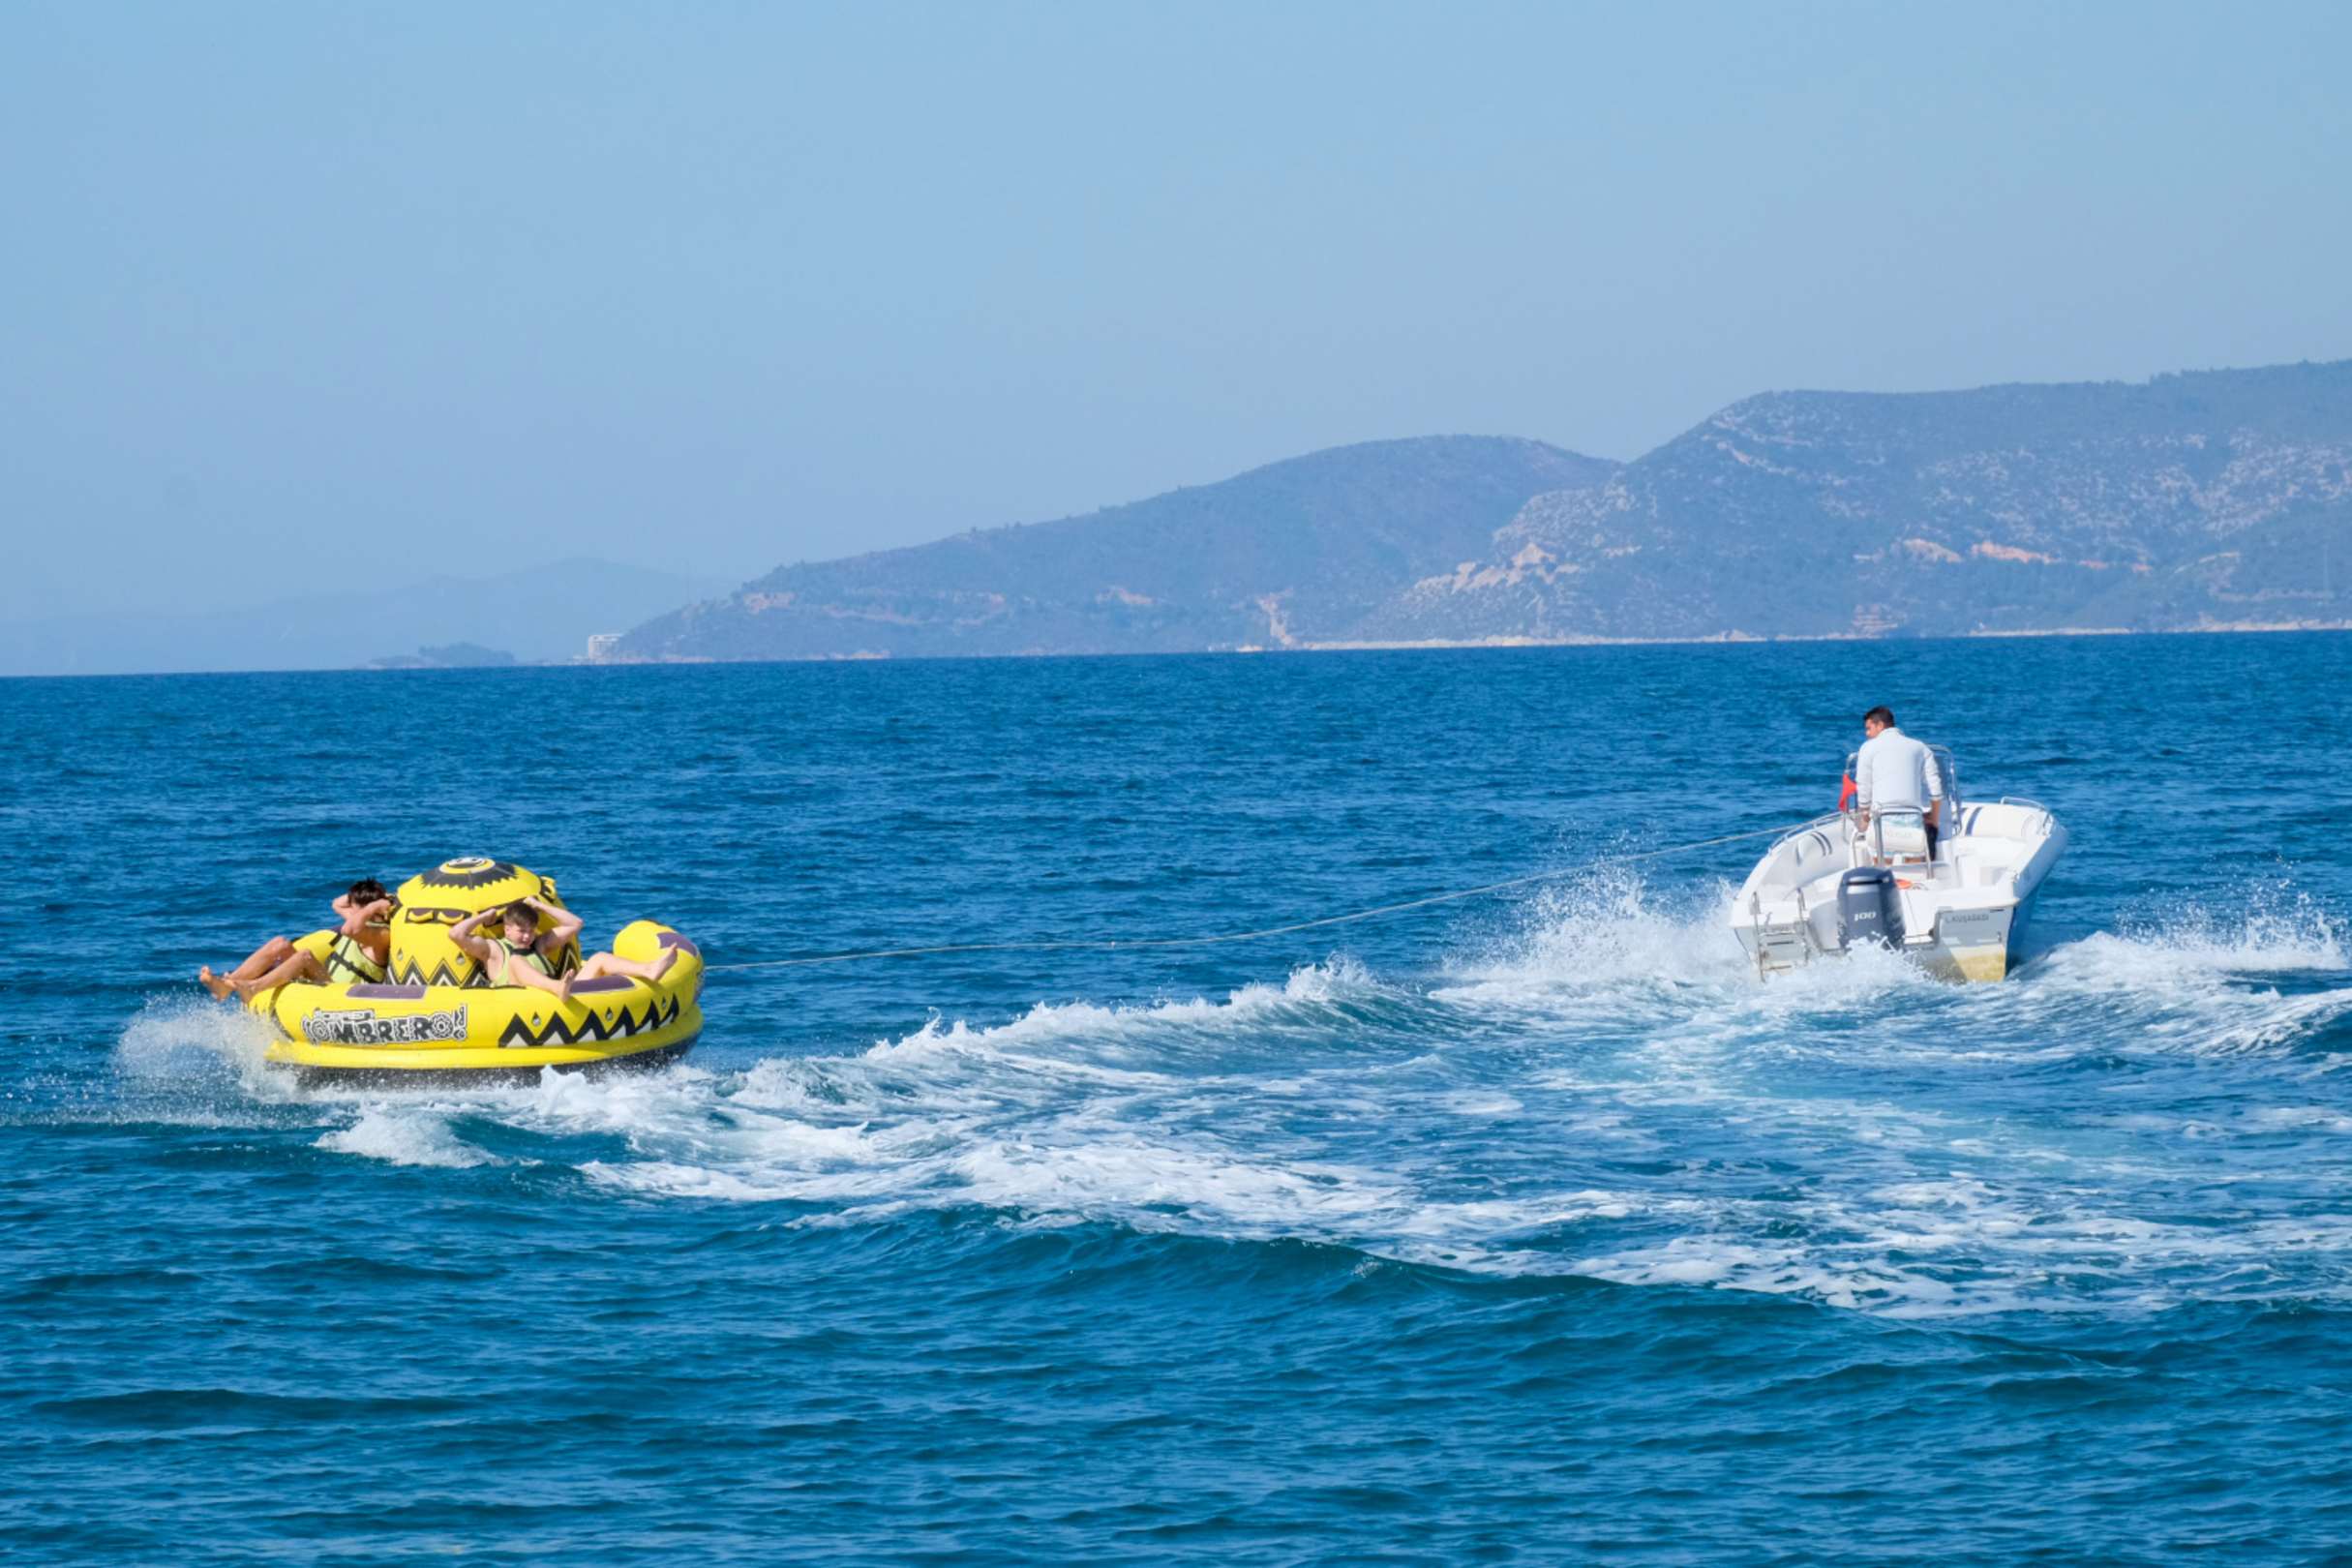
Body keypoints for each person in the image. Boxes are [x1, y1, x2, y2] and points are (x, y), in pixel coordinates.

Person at [199, 879, 397, 1003]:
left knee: (305, 956)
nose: (351, 912)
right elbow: (337, 903)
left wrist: (373, 906)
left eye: (357, 908)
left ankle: (254, 988)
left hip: (342, 995)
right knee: (280, 944)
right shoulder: (360, 922)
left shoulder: (380, 935)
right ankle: (226, 985)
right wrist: (379, 897)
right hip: (327, 980)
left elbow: (349, 929)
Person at [450, 897, 676, 1003]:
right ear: (507, 929)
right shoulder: (494, 950)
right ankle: (557, 987)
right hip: (523, 1004)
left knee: (599, 958)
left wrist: (539, 905)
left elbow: (575, 924)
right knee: (517, 961)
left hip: (559, 998)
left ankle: (649, 970)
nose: (527, 936)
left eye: (531, 930)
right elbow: (456, 935)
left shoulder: (539, 945)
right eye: (521, 931)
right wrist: (484, 916)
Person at [1853, 705, 1945, 859]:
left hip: (1882, 819)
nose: (1866, 733)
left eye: (1869, 728)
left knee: (1882, 866)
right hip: (1912, 818)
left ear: (1880, 725)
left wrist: (1865, 815)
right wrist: (1934, 819)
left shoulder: (1868, 748)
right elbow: (1935, 789)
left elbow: (1863, 786)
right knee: (1915, 866)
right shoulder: (1920, 747)